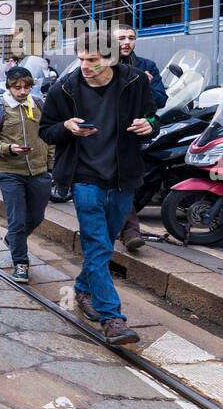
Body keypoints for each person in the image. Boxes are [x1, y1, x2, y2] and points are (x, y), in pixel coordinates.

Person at [40, 37, 156, 345]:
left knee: (105, 240)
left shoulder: (134, 82)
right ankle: (112, 318)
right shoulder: (63, 89)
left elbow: (152, 116)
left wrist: (149, 126)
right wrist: (66, 127)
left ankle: (82, 288)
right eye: (82, 59)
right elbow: (45, 132)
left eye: (93, 60)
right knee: (96, 243)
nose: (85, 66)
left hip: (123, 175)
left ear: (113, 59)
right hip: (83, 176)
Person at [0, 66, 54, 283]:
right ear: (9, 87)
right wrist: (8, 149)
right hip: (10, 171)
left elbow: (49, 136)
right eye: (17, 87)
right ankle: (21, 263)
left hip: (39, 171)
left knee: (37, 216)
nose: (22, 91)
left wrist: (50, 164)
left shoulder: (39, 104)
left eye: (26, 86)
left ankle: (12, 239)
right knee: (17, 219)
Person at [114, 24, 168, 251]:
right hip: (108, 132)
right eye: (121, 38)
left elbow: (160, 99)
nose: (127, 42)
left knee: (126, 181)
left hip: (136, 132)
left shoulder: (147, 66)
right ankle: (129, 230)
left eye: (131, 38)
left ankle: (123, 227)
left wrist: (143, 84)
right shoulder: (102, 64)